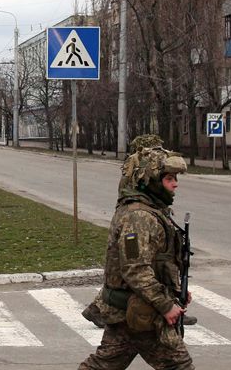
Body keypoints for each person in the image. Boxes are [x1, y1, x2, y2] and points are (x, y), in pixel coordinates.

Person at [41, 146, 231, 370]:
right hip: (139, 310)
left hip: (131, 308)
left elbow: (154, 262)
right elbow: (136, 269)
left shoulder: (149, 211)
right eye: (169, 179)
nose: (175, 184)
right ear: (149, 181)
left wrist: (175, 290)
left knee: (103, 363)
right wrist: (166, 305)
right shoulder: (139, 217)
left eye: (175, 178)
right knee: (177, 365)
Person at [82, 134, 196, 329]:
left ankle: (98, 308)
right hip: (137, 221)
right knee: (129, 267)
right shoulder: (138, 173)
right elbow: (135, 269)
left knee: (130, 266)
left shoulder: (140, 172)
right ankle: (98, 309)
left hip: (144, 214)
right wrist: (164, 304)